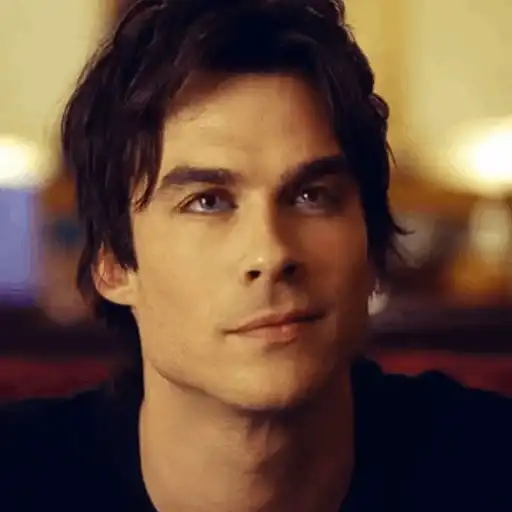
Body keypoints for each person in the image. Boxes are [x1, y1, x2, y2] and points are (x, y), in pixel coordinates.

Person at [1, 0, 511, 510]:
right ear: (114, 264)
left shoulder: (489, 465)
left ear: (368, 237)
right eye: (208, 202)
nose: (271, 253)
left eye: (311, 196)